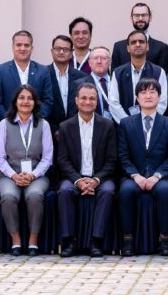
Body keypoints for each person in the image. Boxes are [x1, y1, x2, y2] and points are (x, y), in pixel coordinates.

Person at [117, 78, 168, 256]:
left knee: (164, 191)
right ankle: (128, 241)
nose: (148, 96)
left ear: (159, 97)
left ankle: (164, 240)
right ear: (137, 98)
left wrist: (157, 175)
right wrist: (135, 175)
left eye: (152, 92)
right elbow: (123, 156)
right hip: (134, 175)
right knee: (126, 191)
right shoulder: (126, 123)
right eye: (143, 92)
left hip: (162, 176)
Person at [56, 83, 117, 258]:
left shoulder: (107, 125)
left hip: (100, 177)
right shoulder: (65, 126)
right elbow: (62, 160)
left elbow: (111, 160)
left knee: (108, 191)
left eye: (92, 98)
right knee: (65, 191)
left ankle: (96, 241)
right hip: (74, 177)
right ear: (76, 100)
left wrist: (96, 180)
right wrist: (78, 180)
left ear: (97, 102)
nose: (87, 102)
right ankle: (69, 241)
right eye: (83, 98)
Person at [0, 85, 54, 256]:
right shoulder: (4, 124)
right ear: (15, 102)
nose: (25, 102)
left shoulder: (43, 125)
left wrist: (32, 175)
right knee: (8, 196)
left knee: (35, 195)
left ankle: (33, 240)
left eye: (30, 98)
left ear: (35, 102)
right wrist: (14, 176)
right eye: (21, 98)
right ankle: (16, 240)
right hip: (9, 174)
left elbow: (47, 158)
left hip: (36, 175)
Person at [0, 30, 53, 122]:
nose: (22, 48)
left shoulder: (43, 71)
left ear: (32, 48)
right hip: (9, 125)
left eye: (26, 45)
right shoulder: (0, 71)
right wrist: (11, 121)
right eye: (18, 45)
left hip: (36, 125)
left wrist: (34, 120)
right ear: (12, 47)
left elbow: (48, 101)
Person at [107, 30, 168, 121]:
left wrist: (146, 121)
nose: (138, 44)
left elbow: (162, 102)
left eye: (141, 42)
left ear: (147, 46)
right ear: (128, 48)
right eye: (133, 42)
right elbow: (113, 102)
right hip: (124, 125)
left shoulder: (159, 72)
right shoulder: (118, 73)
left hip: (150, 124)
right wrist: (128, 123)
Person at [45, 34, 92, 131]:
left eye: (66, 49)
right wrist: (54, 130)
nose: (61, 52)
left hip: (76, 130)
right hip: (49, 131)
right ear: (52, 52)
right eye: (58, 49)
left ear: (71, 53)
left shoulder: (82, 77)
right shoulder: (43, 75)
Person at [111, 2, 168, 70]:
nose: (140, 18)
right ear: (131, 18)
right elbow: (115, 74)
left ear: (150, 17)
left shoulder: (161, 48)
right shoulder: (118, 47)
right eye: (137, 15)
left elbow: (162, 75)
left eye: (144, 15)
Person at [87, 46, 115, 119]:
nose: (99, 61)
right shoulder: (79, 84)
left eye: (103, 58)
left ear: (110, 62)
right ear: (89, 62)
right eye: (95, 58)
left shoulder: (117, 82)